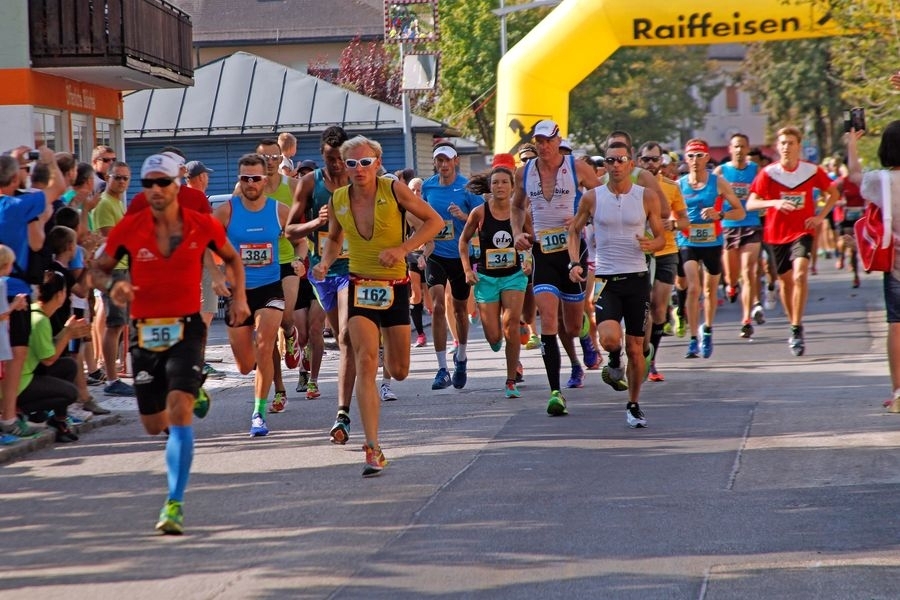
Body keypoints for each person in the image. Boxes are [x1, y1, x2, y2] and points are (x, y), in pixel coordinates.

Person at [92, 152, 249, 534]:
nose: (156, 190)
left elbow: (232, 258)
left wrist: (240, 297)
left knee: (178, 414)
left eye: (163, 182)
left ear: (176, 185)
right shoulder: (130, 227)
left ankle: (174, 503)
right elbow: (98, 270)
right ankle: (192, 392)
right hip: (145, 327)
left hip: (186, 326)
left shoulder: (201, 223)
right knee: (152, 423)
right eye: (149, 184)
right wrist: (115, 285)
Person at [311, 135, 442, 476]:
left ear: (377, 163)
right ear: (343, 165)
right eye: (351, 163)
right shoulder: (339, 198)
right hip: (359, 286)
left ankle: (390, 355)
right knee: (365, 360)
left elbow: (434, 222)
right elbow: (335, 238)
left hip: (395, 287)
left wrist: (402, 250)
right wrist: (325, 263)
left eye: (365, 162)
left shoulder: (394, 189)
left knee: (398, 370)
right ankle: (372, 446)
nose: (358, 169)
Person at [567, 141, 665, 427]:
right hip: (605, 278)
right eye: (610, 160)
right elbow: (573, 230)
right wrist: (575, 263)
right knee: (610, 338)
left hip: (636, 278)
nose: (616, 165)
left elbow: (660, 236)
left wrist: (652, 244)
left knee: (636, 348)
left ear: (630, 164)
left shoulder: (646, 196)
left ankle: (633, 404)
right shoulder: (592, 197)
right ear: (606, 166)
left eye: (621, 159)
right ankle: (612, 359)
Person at [511, 120, 600, 416]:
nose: (544, 146)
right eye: (539, 141)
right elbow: (517, 206)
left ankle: (584, 331)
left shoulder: (578, 168)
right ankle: (555, 392)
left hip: (573, 251)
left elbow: (601, 199)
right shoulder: (525, 172)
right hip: (543, 254)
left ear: (558, 139)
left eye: (548, 140)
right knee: (548, 320)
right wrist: (517, 233)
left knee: (571, 326)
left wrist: (581, 216)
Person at [285, 126, 357, 442]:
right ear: (322, 156)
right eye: (330, 159)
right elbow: (290, 231)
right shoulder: (310, 183)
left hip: (356, 267)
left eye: (340, 158)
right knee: (342, 338)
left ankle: (345, 408)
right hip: (324, 271)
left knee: (345, 333)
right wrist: (317, 222)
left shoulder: (361, 179)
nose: (336, 165)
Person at [215, 153, 292, 437]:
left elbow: (300, 237)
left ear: (265, 179)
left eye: (255, 178)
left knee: (264, 345)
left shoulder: (279, 210)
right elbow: (204, 243)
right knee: (246, 365)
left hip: (270, 288)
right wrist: (216, 274)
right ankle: (258, 386)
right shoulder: (226, 211)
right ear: (240, 179)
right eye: (245, 178)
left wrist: (298, 258)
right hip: (238, 294)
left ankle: (258, 412)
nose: (250, 183)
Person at [746, 126, 839, 356]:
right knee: (785, 283)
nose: (786, 147)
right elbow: (751, 203)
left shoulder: (811, 170)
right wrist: (774, 203)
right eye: (783, 143)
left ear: (799, 146)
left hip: (802, 231)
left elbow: (833, 194)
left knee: (800, 274)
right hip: (776, 234)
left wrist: (819, 217)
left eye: (791, 143)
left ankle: (797, 328)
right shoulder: (768, 173)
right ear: (778, 147)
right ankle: (794, 325)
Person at [0, 146, 65, 438]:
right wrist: (49, 158)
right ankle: (9, 416)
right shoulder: (17, 207)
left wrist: (13, 164)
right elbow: (58, 187)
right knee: (14, 356)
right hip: (15, 289)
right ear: (15, 180)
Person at [459, 157, 529, 398]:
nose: (500, 186)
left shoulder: (519, 212)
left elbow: (532, 240)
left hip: (514, 276)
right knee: (494, 336)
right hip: (486, 279)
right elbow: (463, 241)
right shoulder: (479, 213)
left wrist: (529, 260)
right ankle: (496, 339)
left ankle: (511, 380)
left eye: (504, 182)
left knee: (511, 324)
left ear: (512, 186)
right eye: (496, 182)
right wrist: (468, 269)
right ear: (490, 187)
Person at [242, 139, 301, 413]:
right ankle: (279, 388)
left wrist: (303, 255)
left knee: (286, 318)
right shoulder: (246, 188)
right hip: (258, 269)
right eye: (264, 158)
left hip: (287, 260)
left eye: (274, 157)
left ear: (281, 159)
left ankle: (291, 333)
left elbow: (302, 223)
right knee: (265, 335)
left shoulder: (292, 186)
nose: (269, 162)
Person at [846, 123, 900, 411]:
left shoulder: (880, 180)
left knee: (896, 327)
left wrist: (852, 142)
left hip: (895, 264)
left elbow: (855, 175)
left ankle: (898, 392)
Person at [421, 143, 483, 391]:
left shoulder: (467, 188)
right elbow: (421, 217)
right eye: (439, 161)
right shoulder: (428, 186)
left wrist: (462, 217)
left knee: (459, 310)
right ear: (435, 162)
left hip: (460, 256)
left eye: (448, 160)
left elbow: (481, 221)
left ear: (456, 160)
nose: (444, 165)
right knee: (437, 306)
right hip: (436, 255)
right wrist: (424, 243)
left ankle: (462, 357)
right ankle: (441, 368)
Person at [677, 139, 745, 359]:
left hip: (712, 242)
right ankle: (693, 339)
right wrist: (677, 220)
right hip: (687, 241)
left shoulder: (718, 183)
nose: (695, 160)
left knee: (709, 290)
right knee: (693, 288)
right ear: (685, 159)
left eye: (699, 155)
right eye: (691, 156)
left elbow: (740, 212)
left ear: (707, 158)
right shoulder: (680, 185)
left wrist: (721, 215)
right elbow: (668, 211)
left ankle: (706, 329)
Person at [635, 141, 689, 381]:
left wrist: (675, 224)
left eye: (655, 159)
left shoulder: (671, 187)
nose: (650, 164)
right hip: (638, 253)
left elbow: (685, 220)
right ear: (638, 161)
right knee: (640, 308)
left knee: (658, 308)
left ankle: (651, 359)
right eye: (646, 159)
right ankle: (639, 352)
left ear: (662, 162)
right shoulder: (631, 187)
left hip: (666, 251)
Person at [18, 271, 91, 443]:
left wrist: (67, 331)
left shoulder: (37, 314)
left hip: (26, 375)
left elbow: (47, 349)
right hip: (20, 383)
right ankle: (21, 410)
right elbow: (49, 359)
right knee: (70, 393)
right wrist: (67, 333)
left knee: (68, 365)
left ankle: (59, 422)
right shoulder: (40, 319)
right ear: (60, 295)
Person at [713, 133, 765, 338]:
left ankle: (746, 319)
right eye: (736, 146)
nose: (739, 150)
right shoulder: (721, 172)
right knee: (732, 275)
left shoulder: (756, 171)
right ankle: (731, 286)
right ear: (730, 149)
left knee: (749, 270)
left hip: (751, 224)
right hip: (728, 225)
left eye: (743, 146)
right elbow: (711, 194)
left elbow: (766, 192)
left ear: (748, 148)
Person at [92, 160, 136, 397]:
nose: (121, 182)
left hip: (122, 268)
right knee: (114, 324)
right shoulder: (105, 204)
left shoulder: (117, 202)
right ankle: (111, 378)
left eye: (125, 178)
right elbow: (112, 239)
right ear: (107, 178)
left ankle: (115, 374)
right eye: (116, 177)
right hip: (113, 269)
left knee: (120, 325)